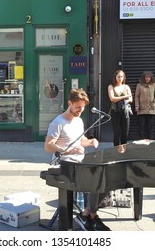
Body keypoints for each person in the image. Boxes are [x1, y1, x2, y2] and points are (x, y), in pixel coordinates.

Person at [44, 88, 110, 231]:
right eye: (77, 107)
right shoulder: (58, 122)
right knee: (95, 179)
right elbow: (48, 146)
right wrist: (68, 150)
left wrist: (90, 142)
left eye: (82, 108)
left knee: (106, 178)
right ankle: (90, 215)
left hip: (79, 161)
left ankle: (88, 214)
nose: (80, 110)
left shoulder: (79, 121)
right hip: (64, 163)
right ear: (70, 103)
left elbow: (81, 141)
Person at [108, 70, 133, 146]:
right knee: (116, 133)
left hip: (125, 110)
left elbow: (131, 99)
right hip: (115, 111)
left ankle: (124, 151)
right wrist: (125, 97)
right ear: (115, 77)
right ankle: (116, 151)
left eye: (121, 76)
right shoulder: (111, 86)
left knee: (125, 133)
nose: (120, 78)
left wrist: (122, 99)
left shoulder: (126, 87)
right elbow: (112, 99)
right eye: (118, 76)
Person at [134, 71, 155, 139]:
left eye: (149, 77)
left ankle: (149, 141)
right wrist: (137, 105)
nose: (147, 78)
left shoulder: (153, 85)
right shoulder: (139, 85)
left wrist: (154, 102)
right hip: (141, 109)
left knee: (150, 126)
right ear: (143, 78)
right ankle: (141, 140)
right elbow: (136, 96)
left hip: (151, 109)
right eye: (146, 77)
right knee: (141, 126)